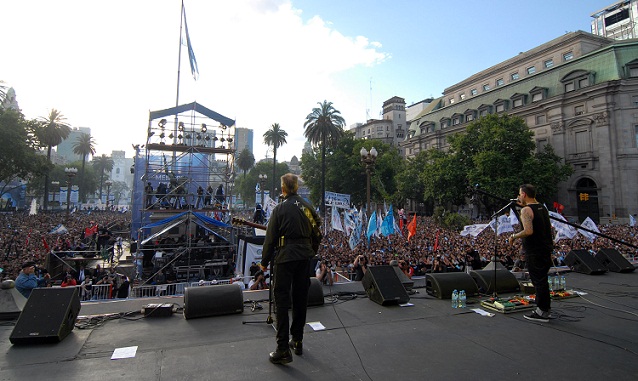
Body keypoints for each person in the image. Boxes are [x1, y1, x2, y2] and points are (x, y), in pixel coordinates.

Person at [261, 173, 322, 365]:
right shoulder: (307, 208)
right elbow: (317, 233)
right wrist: (310, 251)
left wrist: (263, 262)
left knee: (281, 300)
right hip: (304, 258)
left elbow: (270, 238)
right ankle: (297, 340)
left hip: (285, 258)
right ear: (296, 187)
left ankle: (282, 349)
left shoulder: (279, 209)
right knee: (300, 298)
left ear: (283, 189)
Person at [508, 184, 554, 323]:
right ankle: (544, 308)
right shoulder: (543, 208)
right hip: (545, 249)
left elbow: (528, 231)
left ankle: (542, 311)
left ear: (524, 194)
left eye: (519, 193)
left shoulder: (526, 210)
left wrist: (514, 236)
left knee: (538, 281)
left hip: (535, 250)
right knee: (542, 280)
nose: (518, 196)